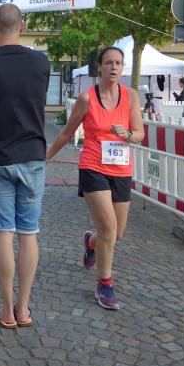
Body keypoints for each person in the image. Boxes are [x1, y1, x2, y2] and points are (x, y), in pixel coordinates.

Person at [0, 3, 50, 328]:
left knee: (3, 235)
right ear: (23, 27)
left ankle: (6, 309)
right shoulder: (41, 62)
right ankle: (23, 308)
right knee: (28, 233)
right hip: (32, 156)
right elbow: (35, 103)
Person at [46, 46, 144, 310]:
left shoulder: (131, 96)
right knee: (108, 229)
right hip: (93, 166)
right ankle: (105, 284)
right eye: (109, 62)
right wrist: (46, 157)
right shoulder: (87, 98)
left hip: (121, 169)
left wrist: (127, 134)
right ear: (99, 67)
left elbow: (139, 134)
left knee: (117, 234)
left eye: (118, 63)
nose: (114, 67)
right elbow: (67, 132)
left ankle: (91, 243)